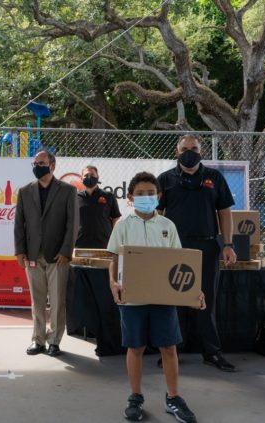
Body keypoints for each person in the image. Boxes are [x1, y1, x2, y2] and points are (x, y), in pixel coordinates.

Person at [107, 171, 204, 423]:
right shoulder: (123, 225)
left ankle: (173, 398)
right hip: (132, 298)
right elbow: (114, 258)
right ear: (130, 197)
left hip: (163, 298)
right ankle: (135, 397)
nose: (146, 197)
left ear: (159, 196)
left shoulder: (167, 226)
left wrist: (195, 291)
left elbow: (182, 263)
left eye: (151, 193)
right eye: (140, 194)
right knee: (135, 347)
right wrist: (113, 282)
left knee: (168, 347)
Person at [157, 134, 238, 372]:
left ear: (201, 152)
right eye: (185, 149)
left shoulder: (214, 177)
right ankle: (172, 350)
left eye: (194, 148)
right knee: (173, 300)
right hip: (174, 248)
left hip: (207, 247)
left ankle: (212, 352)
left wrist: (228, 245)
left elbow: (225, 212)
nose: (189, 152)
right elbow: (157, 216)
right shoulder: (165, 179)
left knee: (207, 301)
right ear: (176, 151)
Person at [14, 149, 77, 357]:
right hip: (33, 255)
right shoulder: (24, 191)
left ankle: (55, 341)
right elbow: (19, 225)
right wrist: (20, 251)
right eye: (35, 163)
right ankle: (38, 339)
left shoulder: (67, 190)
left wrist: (66, 251)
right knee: (37, 300)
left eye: (41, 163)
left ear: (52, 165)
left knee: (58, 301)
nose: (37, 166)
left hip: (58, 256)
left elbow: (73, 224)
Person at [75, 165, 121, 248]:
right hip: (80, 243)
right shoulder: (74, 197)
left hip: (104, 244)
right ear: (81, 178)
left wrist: (114, 239)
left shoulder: (109, 196)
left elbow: (115, 218)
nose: (89, 177)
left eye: (92, 175)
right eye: (86, 175)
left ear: (98, 177)